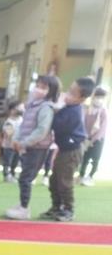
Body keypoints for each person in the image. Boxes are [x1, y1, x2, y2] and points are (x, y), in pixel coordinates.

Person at [40, 76, 94, 221]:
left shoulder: (74, 111)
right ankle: (56, 207)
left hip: (72, 150)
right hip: (65, 149)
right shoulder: (69, 107)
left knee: (64, 180)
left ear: (82, 99)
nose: (67, 95)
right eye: (69, 91)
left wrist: (52, 112)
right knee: (54, 180)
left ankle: (69, 210)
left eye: (72, 94)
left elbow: (58, 125)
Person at [5, 74, 59, 219]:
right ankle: (22, 204)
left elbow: (42, 130)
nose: (39, 89)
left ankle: (24, 209)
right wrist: (16, 139)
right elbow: (23, 125)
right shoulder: (32, 104)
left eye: (44, 87)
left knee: (26, 178)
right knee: (25, 176)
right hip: (28, 146)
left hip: (38, 147)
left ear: (51, 91)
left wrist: (23, 142)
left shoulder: (46, 107)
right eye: (38, 86)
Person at [79, 85, 108, 185]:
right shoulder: (87, 109)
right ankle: (81, 175)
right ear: (93, 96)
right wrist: (85, 137)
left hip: (98, 140)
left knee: (95, 159)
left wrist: (93, 140)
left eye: (101, 97)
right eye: (97, 96)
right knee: (85, 158)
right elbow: (83, 123)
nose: (99, 99)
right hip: (86, 138)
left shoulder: (104, 111)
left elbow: (102, 129)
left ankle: (90, 176)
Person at [0, 101, 23, 182]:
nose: (21, 110)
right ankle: (6, 175)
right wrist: (14, 143)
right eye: (19, 108)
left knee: (15, 161)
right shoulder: (9, 122)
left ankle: (12, 174)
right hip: (9, 146)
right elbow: (9, 134)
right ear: (12, 110)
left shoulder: (21, 120)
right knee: (7, 161)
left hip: (18, 145)